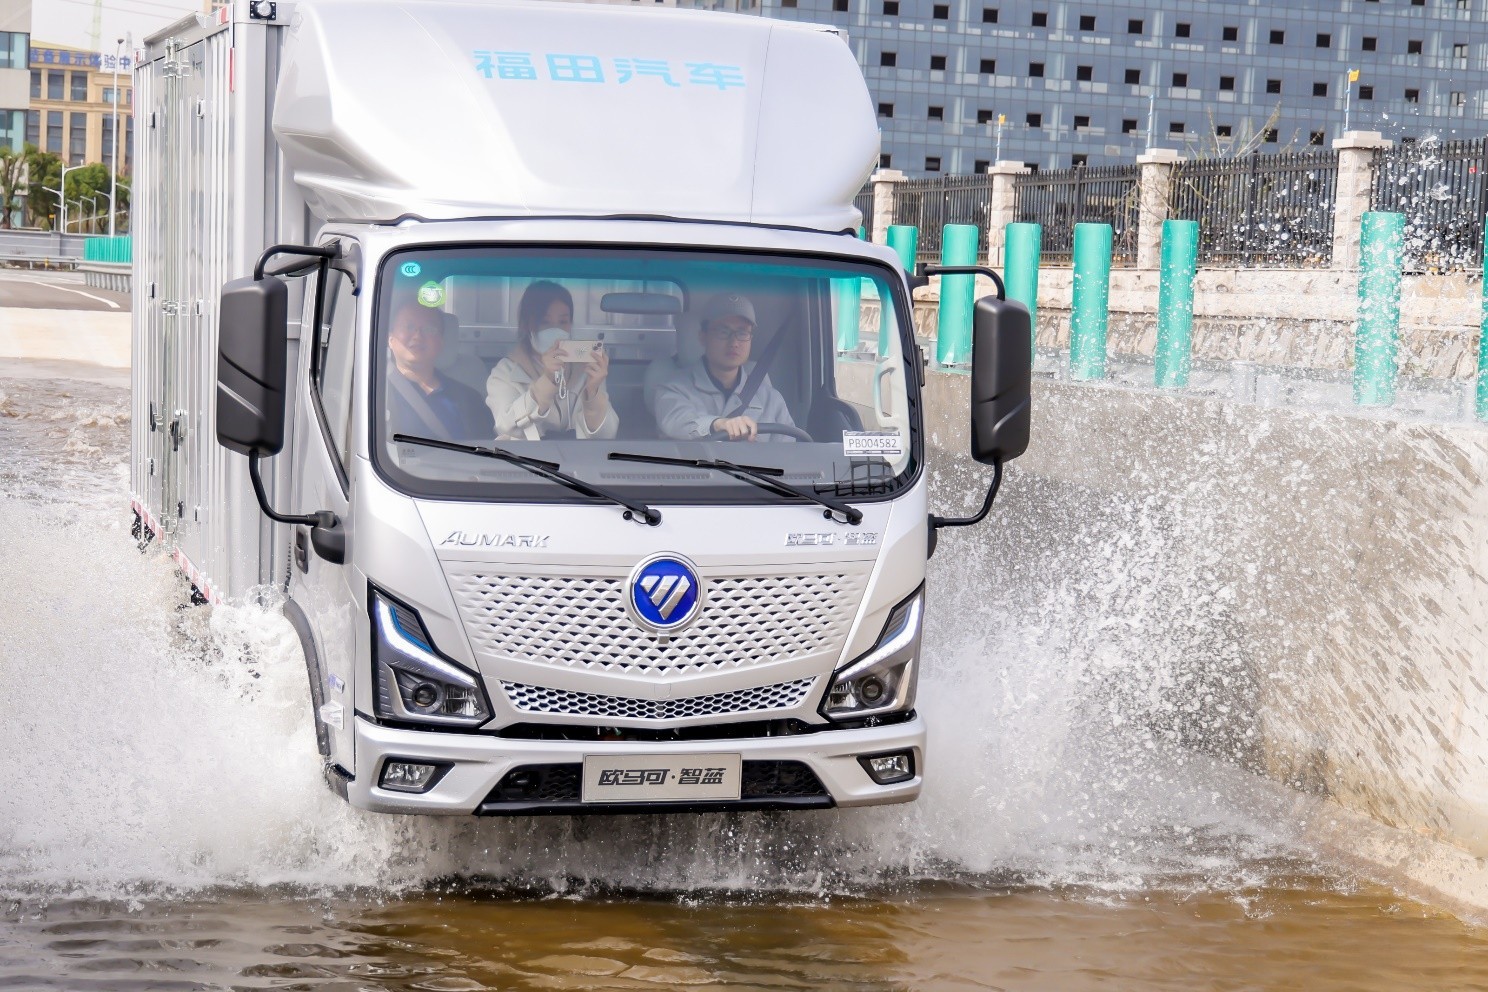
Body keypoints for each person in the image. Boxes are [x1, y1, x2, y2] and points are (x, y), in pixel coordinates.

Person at [655, 292, 797, 442]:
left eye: (742, 333)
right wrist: (718, 424)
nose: (734, 343)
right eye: (723, 332)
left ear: (750, 339)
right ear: (703, 337)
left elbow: (790, 455)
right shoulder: (673, 388)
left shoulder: (771, 399)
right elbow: (675, 420)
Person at [485, 280, 617, 440]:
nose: (556, 329)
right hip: (525, 462)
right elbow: (507, 427)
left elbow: (607, 435)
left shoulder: (587, 369)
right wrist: (547, 381)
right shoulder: (505, 372)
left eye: (563, 321)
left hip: (581, 462)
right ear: (527, 325)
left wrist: (593, 393)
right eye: (545, 322)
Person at [385, 302, 496, 441]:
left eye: (429, 329)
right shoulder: (375, 393)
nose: (417, 335)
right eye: (409, 327)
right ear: (390, 338)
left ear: (441, 342)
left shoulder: (469, 398)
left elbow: (486, 452)